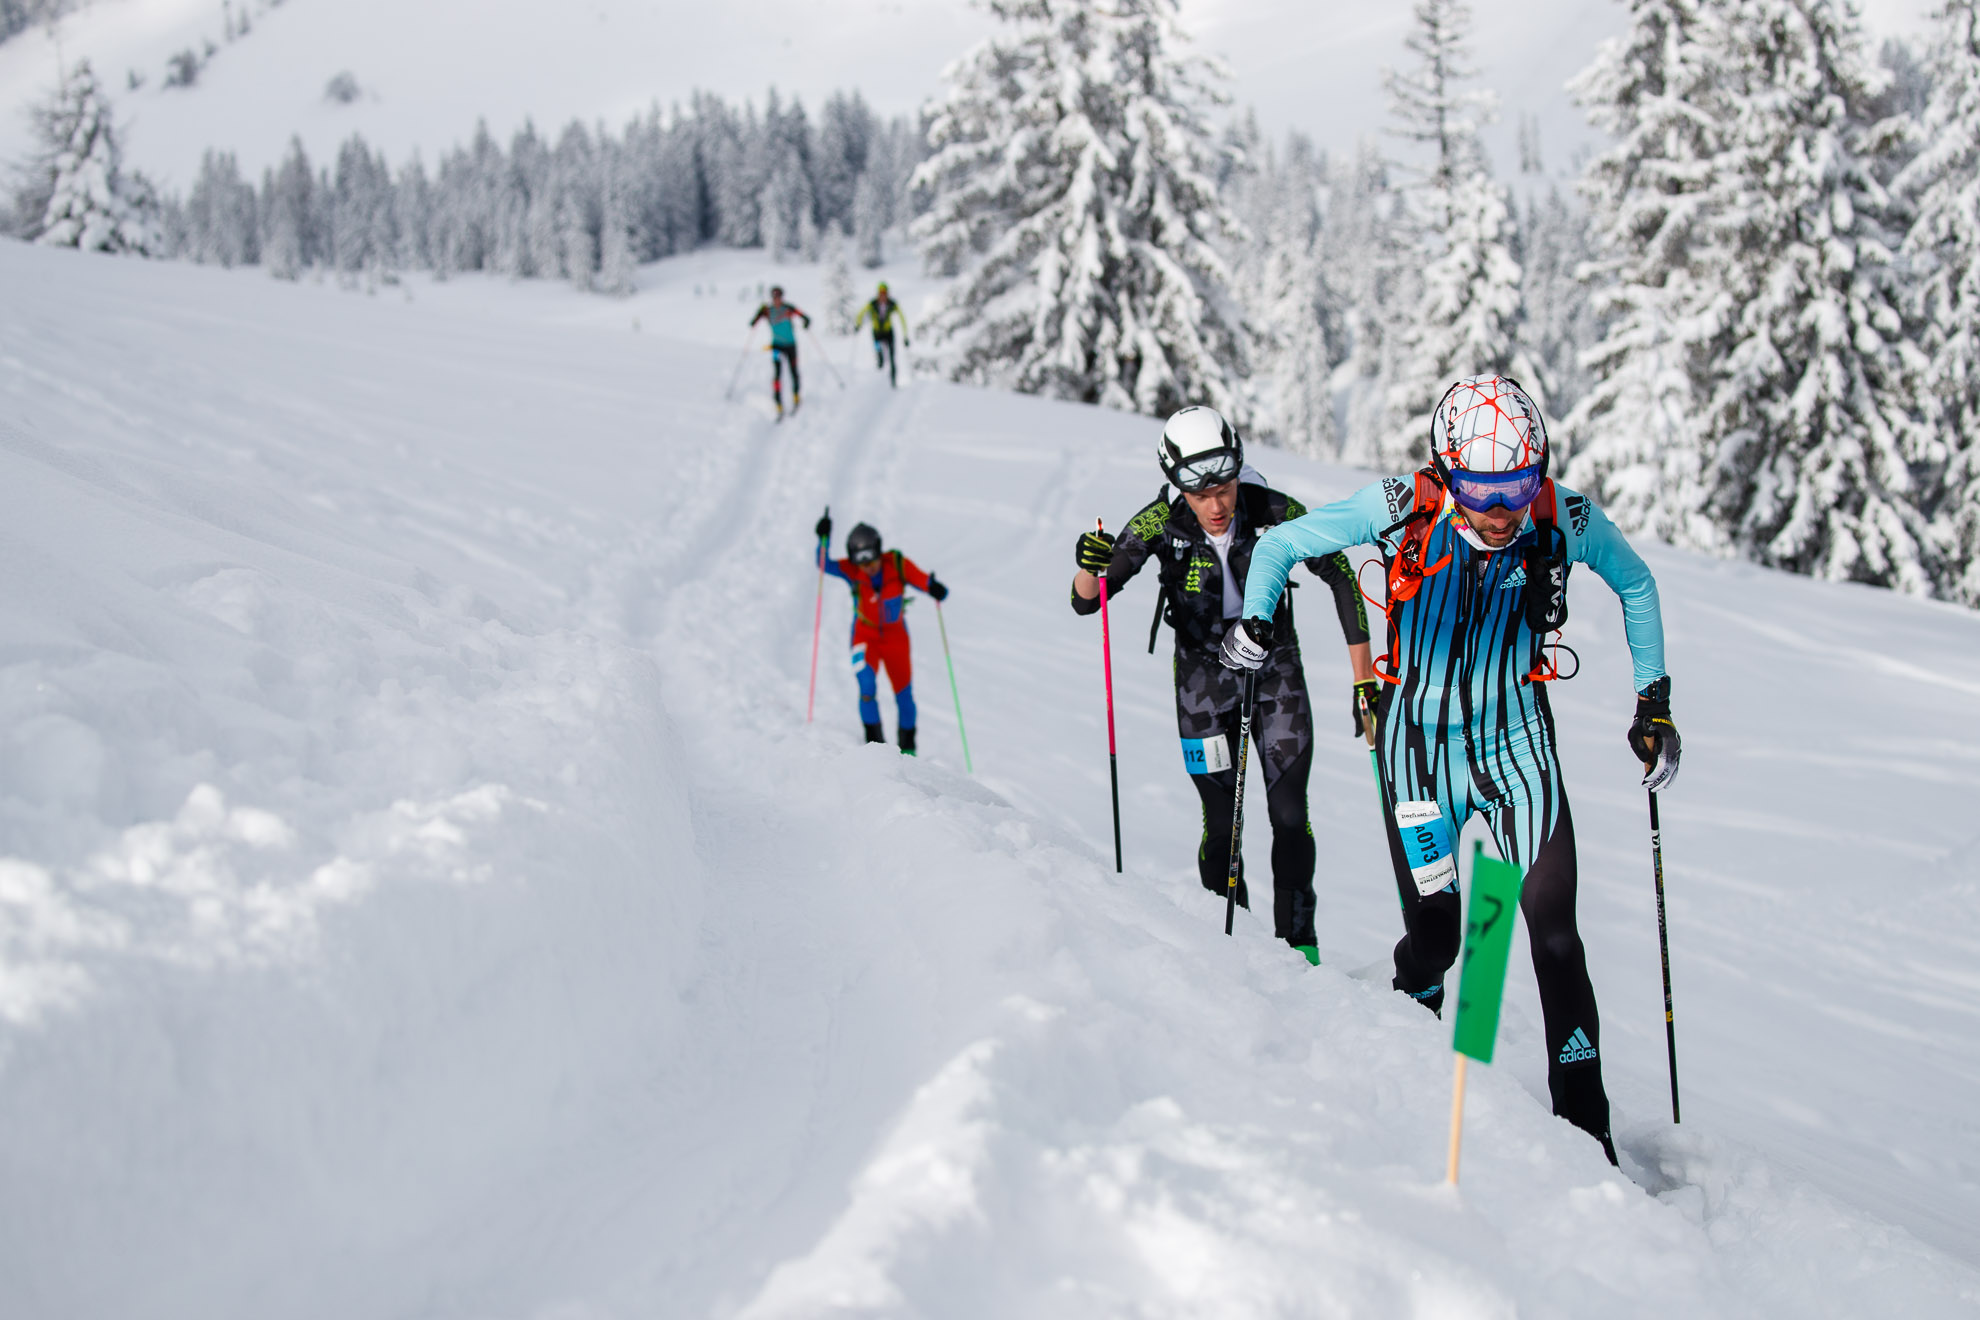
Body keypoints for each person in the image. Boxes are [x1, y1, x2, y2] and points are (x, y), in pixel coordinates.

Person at [1220, 374, 1681, 1164]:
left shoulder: (1559, 517)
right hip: (1419, 755)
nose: (1501, 510)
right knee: (1436, 936)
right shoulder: (1403, 505)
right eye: (1480, 487)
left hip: (1516, 753)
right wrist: (1257, 618)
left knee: (1553, 935)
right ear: (1447, 470)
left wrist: (1654, 699)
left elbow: (1636, 581)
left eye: (1517, 486)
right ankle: (1416, 1051)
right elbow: (1279, 544)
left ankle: (1584, 1129)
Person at [1070, 406, 1376, 964]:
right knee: (1221, 823)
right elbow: (1088, 601)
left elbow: (1342, 575)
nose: (1216, 505)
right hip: (1203, 686)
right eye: (1198, 492)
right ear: (1175, 483)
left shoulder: (1274, 510)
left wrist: (1365, 679)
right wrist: (1089, 565)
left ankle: (1300, 948)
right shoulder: (1157, 522)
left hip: (1275, 673)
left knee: (1289, 814)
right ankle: (1235, 949)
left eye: (1226, 486)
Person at [815, 515, 948, 754]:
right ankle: (874, 748)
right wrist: (823, 538)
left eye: (872, 560)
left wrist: (934, 588)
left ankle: (908, 752)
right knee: (866, 687)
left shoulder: (896, 564)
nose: (868, 567)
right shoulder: (852, 571)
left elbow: (921, 579)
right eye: (862, 563)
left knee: (904, 695)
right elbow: (823, 563)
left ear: (878, 552)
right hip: (864, 638)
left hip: (896, 639)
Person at [749, 286, 811, 418]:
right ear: (772, 298)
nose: (777, 299)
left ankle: (796, 397)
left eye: (779, 297)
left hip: (790, 346)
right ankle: (778, 404)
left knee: (793, 371)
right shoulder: (767, 311)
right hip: (776, 346)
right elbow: (753, 322)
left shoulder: (788, 308)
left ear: (782, 297)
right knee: (777, 374)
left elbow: (805, 317)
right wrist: (757, 316)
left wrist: (806, 322)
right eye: (774, 297)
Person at [852, 282, 910, 386]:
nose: (883, 295)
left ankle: (893, 383)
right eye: (881, 293)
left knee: (892, 358)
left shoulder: (892, 304)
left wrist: (905, 336)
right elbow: (861, 313)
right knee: (879, 358)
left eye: (885, 293)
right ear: (878, 293)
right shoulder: (872, 304)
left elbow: (902, 318)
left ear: (887, 293)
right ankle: (880, 384)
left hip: (889, 334)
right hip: (877, 335)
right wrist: (858, 324)